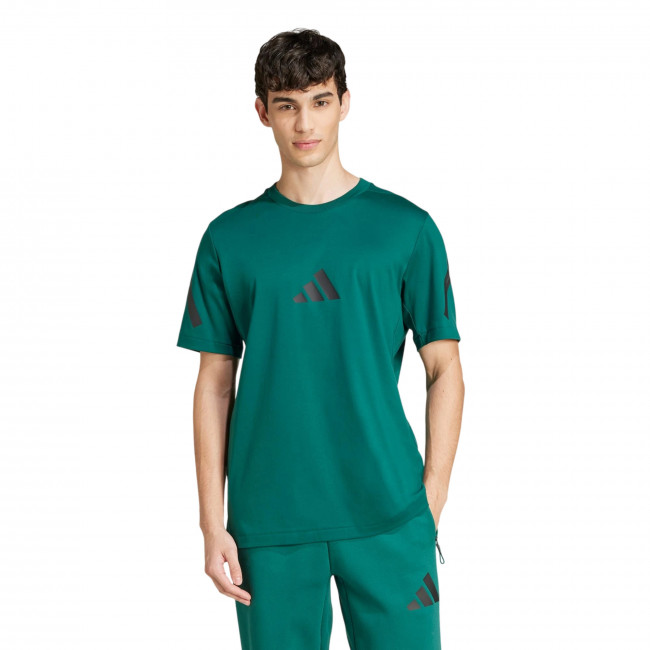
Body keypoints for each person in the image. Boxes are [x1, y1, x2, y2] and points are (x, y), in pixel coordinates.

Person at [176, 27, 465, 650]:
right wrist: (210, 522)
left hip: (390, 513)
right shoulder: (229, 238)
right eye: (287, 104)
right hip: (268, 521)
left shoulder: (407, 228)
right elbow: (214, 383)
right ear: (263, 112)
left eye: (320, 100)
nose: (305, 122)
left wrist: (432, 497)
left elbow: (444, 367)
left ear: (344, 103)